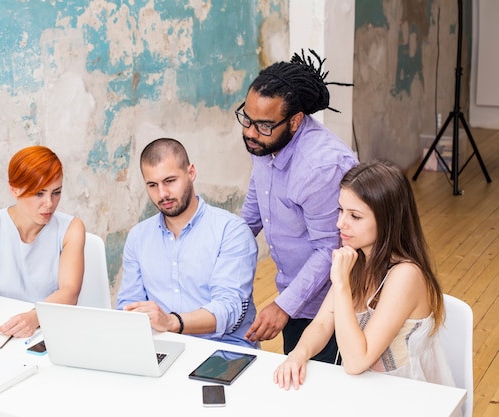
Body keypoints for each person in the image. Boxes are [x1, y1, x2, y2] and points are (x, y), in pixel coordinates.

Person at [273, 161, 456, 391]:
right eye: (340, 210)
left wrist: (340, 284)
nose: (341, 223)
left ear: (388, 220)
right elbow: (321, 324)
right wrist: (297, 355)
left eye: (355, 216)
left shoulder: (405, 275)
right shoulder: (357, 259)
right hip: (369, 391)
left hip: (412, 398)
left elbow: (356, 361)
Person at [237, 49, 358, 361]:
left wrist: (283, 306)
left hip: (334, 305)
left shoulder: (320, 167)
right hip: (296, 297)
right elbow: (254, 209)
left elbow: (331, 250)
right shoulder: (264, 143)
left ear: (295, 121)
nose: (250, 132)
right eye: (246, 118)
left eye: (263, 125)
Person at [117, 138, 259, 348]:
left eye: (170, 181)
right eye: (152, 185)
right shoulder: (138, 237)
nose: (162, 194)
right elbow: (128, 305)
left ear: (191, 173)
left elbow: (228, 309)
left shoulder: (231, 231)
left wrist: (172, 322)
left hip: (222, 349)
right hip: (162, 346)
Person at [0, 145, 86, 339]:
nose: (49, 203)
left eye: (56, 192)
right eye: (39, 193)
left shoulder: (72, 229)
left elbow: (70, 292)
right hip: (2, 330)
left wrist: (35, 317)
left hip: (53, 328)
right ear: (14, 189)